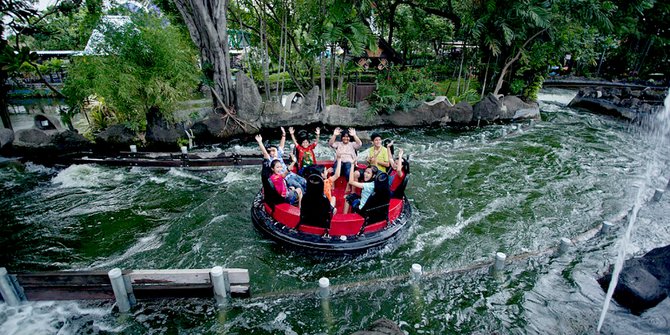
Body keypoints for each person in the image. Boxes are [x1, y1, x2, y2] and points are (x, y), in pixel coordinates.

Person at [328, 127, 362, 193]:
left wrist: (354, 135)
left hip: (349, 163)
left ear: (350, 138)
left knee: (348, 168)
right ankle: (332, 184)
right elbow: (331, 144)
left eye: (347, 137)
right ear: (341, 137)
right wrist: (334, 135)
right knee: (335, 167)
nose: (346, 138)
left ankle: (348, 185)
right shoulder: (338, 144)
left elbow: (359, 144)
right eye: (344, 137)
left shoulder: (352, 144)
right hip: (339, 162)